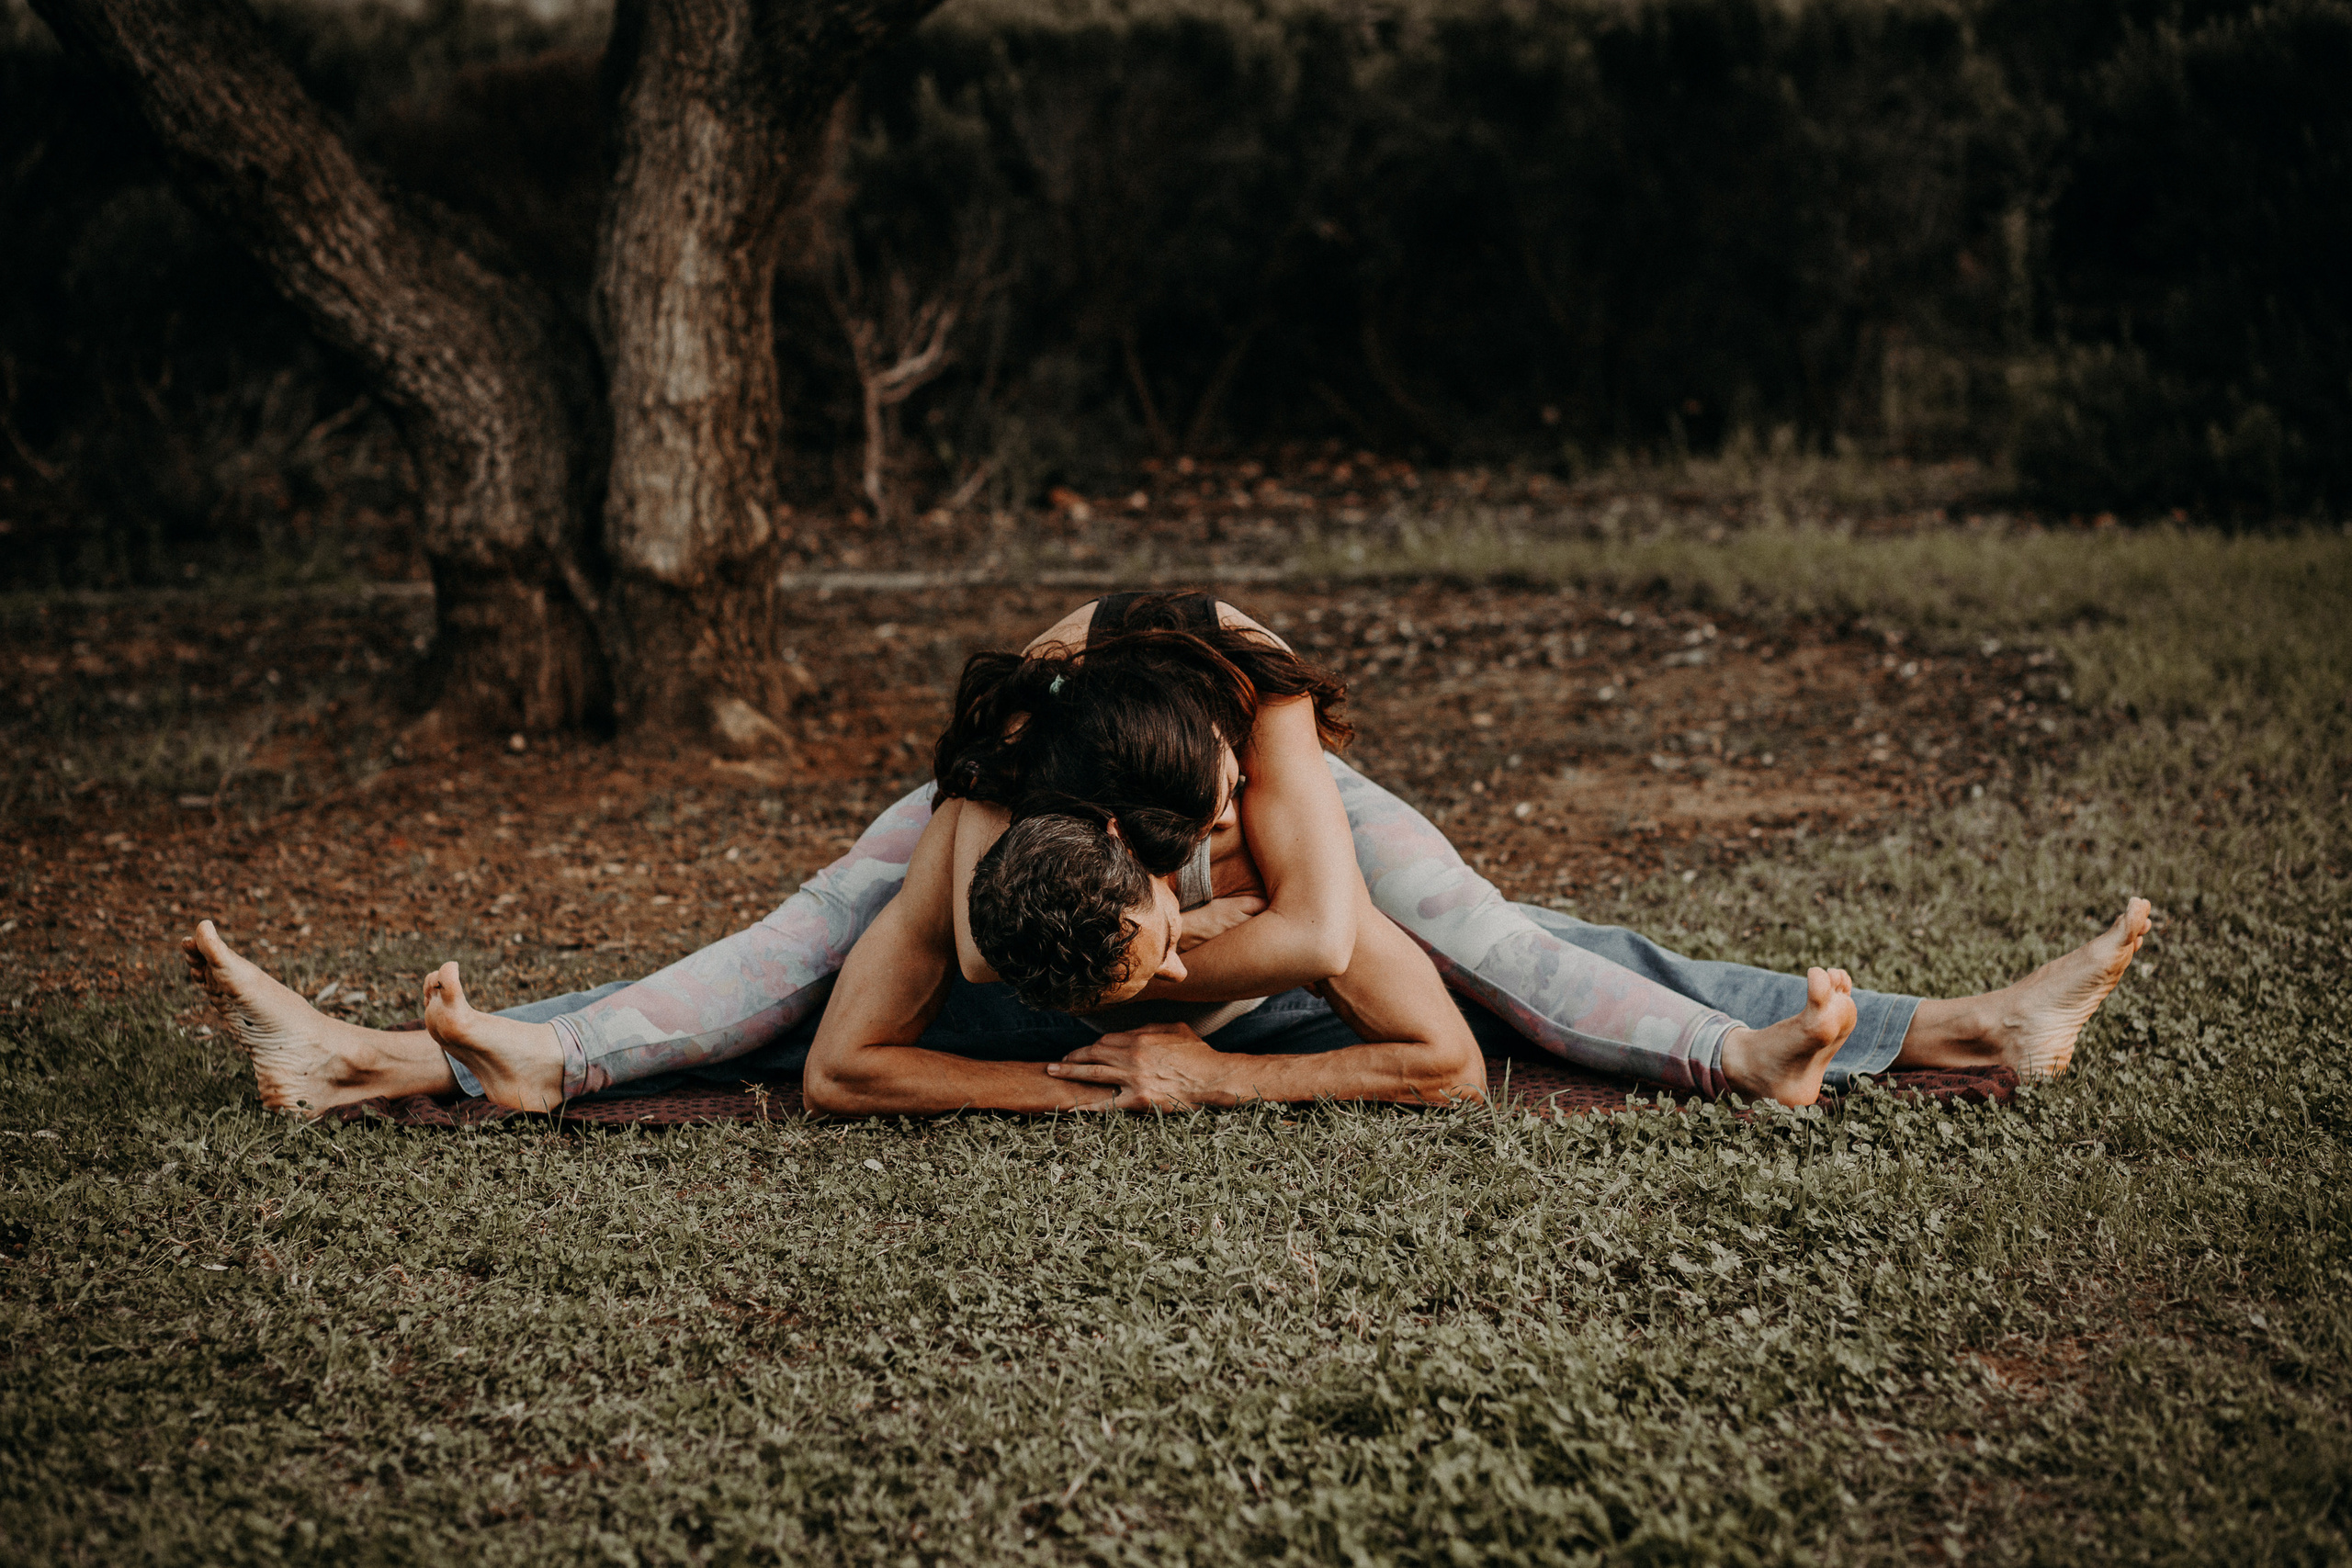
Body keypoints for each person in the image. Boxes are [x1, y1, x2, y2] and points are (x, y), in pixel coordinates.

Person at [183, 591, 2150, 1115]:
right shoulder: (984, 801)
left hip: (1310, 854)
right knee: (791, 936)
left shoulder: (1271, 755)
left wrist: (1196, 1042)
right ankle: (402, 1052)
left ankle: (1911, 1033)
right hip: (1039, 831)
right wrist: (1061, 1018)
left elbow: (1393, 971)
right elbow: (835, 1026)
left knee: (1493, 923)